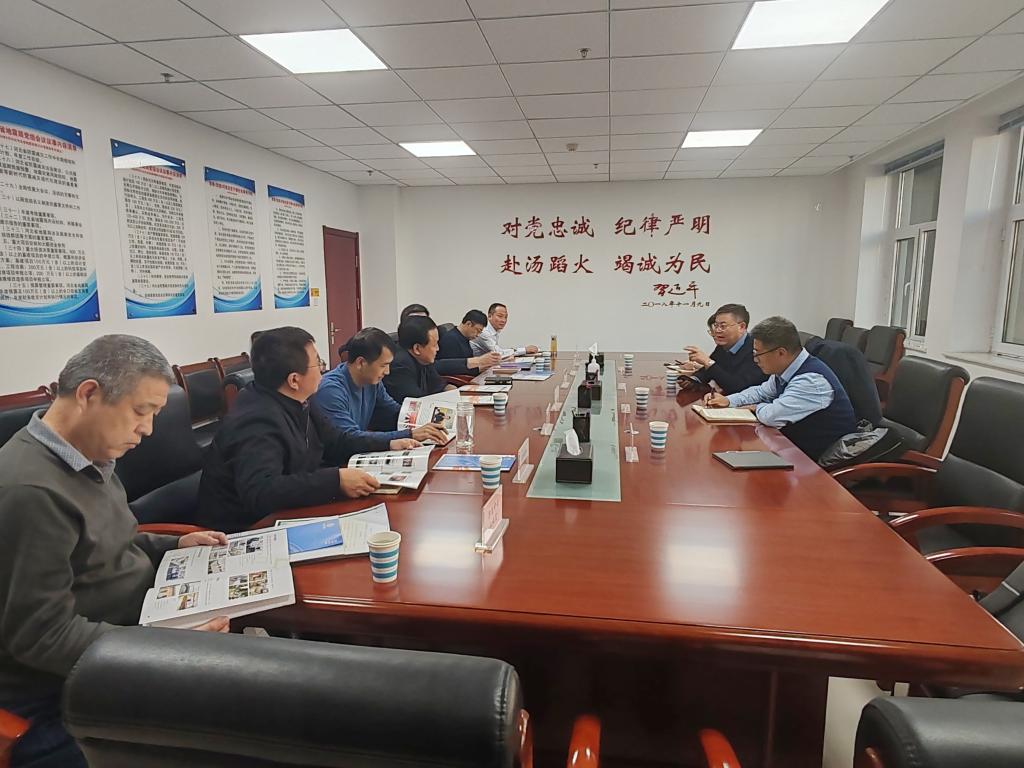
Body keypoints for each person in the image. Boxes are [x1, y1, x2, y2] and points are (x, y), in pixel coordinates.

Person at [0, 335, 229, 768]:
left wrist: (172, 545)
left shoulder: (89, 456)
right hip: (62, 692)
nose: (148, 429)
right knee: (235, 720)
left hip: (130, 632)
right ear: (89, 394)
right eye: (141, 412)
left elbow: (107, 542)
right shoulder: (31, 491)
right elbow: (41, 635)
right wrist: (161, 649)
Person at [197, 326, 381, 534]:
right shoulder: (255, 420)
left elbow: (337, 441)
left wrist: (394, 442)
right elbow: (262, 491)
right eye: (318, 363)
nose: (323, 369)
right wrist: (336, 481)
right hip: (244, 531)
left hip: (289, 514)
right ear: (294, 380)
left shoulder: (299, 401)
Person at [703, 316, 857, 461]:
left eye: (758, 354)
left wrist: (756, 408)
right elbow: (761, 392)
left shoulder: (811, 381)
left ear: (781, 353)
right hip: (790, 449)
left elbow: (772, 416)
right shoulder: (785, 369)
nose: (755, 360)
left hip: (814, 463)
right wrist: (728, 401)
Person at [314, 327, 448, 446]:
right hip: (337, 460)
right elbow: (349, 438)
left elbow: (394, 412)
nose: (387, 372)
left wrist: (431, 422)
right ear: (361, 363)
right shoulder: (331, 390)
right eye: (383, 365)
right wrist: (409, 434)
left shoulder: (372, 382)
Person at [683, 303, 767, 395]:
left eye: (723, 326)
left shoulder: (756, 349)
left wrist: (708, 362)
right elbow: (708, 372)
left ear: (741, 327)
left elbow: (738, 387)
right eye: (716, 325)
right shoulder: (724, 345)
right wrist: (693, 380)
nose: (717, 330)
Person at [382, 315, 454, 404]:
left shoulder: (423, 359)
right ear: (417, 348)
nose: (438, 348)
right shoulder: (399, 366)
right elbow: (417, 403)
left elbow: (439, 385)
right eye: (434, 345)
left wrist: (457, 393)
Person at [438, 309, 502, 376]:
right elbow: (452, 370)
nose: (478, 335)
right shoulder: (450, 339)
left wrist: (484, 365)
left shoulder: (464, 338)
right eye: (478, 330)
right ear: (469, 324)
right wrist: (479, 366)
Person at [470, 302, 539, 359]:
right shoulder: (484, 331)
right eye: (500, 316)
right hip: (475, 370)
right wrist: (524, 350)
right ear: (490, 316)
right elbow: (498, 353)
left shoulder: (495, 331)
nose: (504, 320)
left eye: (506, 317)